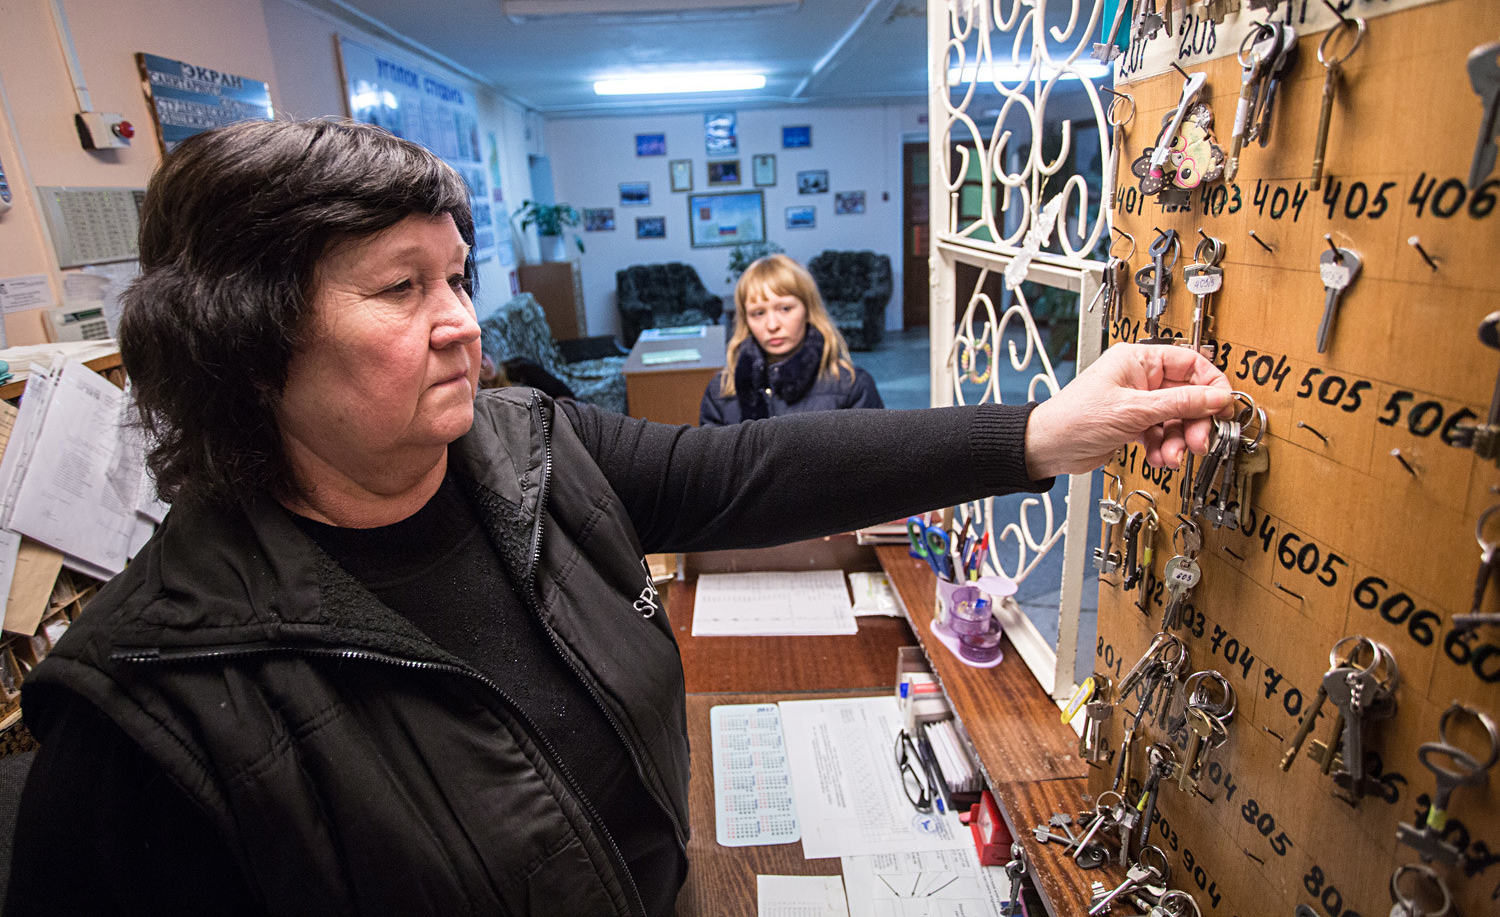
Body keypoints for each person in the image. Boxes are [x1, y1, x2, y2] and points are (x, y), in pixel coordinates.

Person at [7, 118, 1230, 917]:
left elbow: (747, 476)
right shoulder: (147, 713)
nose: (463, 323)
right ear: (249, 336)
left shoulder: (532, 446)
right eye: (400, 288)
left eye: (457, 278)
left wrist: (1038, 431)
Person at [699, 254, 881, 425]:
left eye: (785, 309)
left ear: (808, 311)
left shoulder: (852, 385)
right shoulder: (720, 391)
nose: (772, 325)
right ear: (746, 321)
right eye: (758, 313)